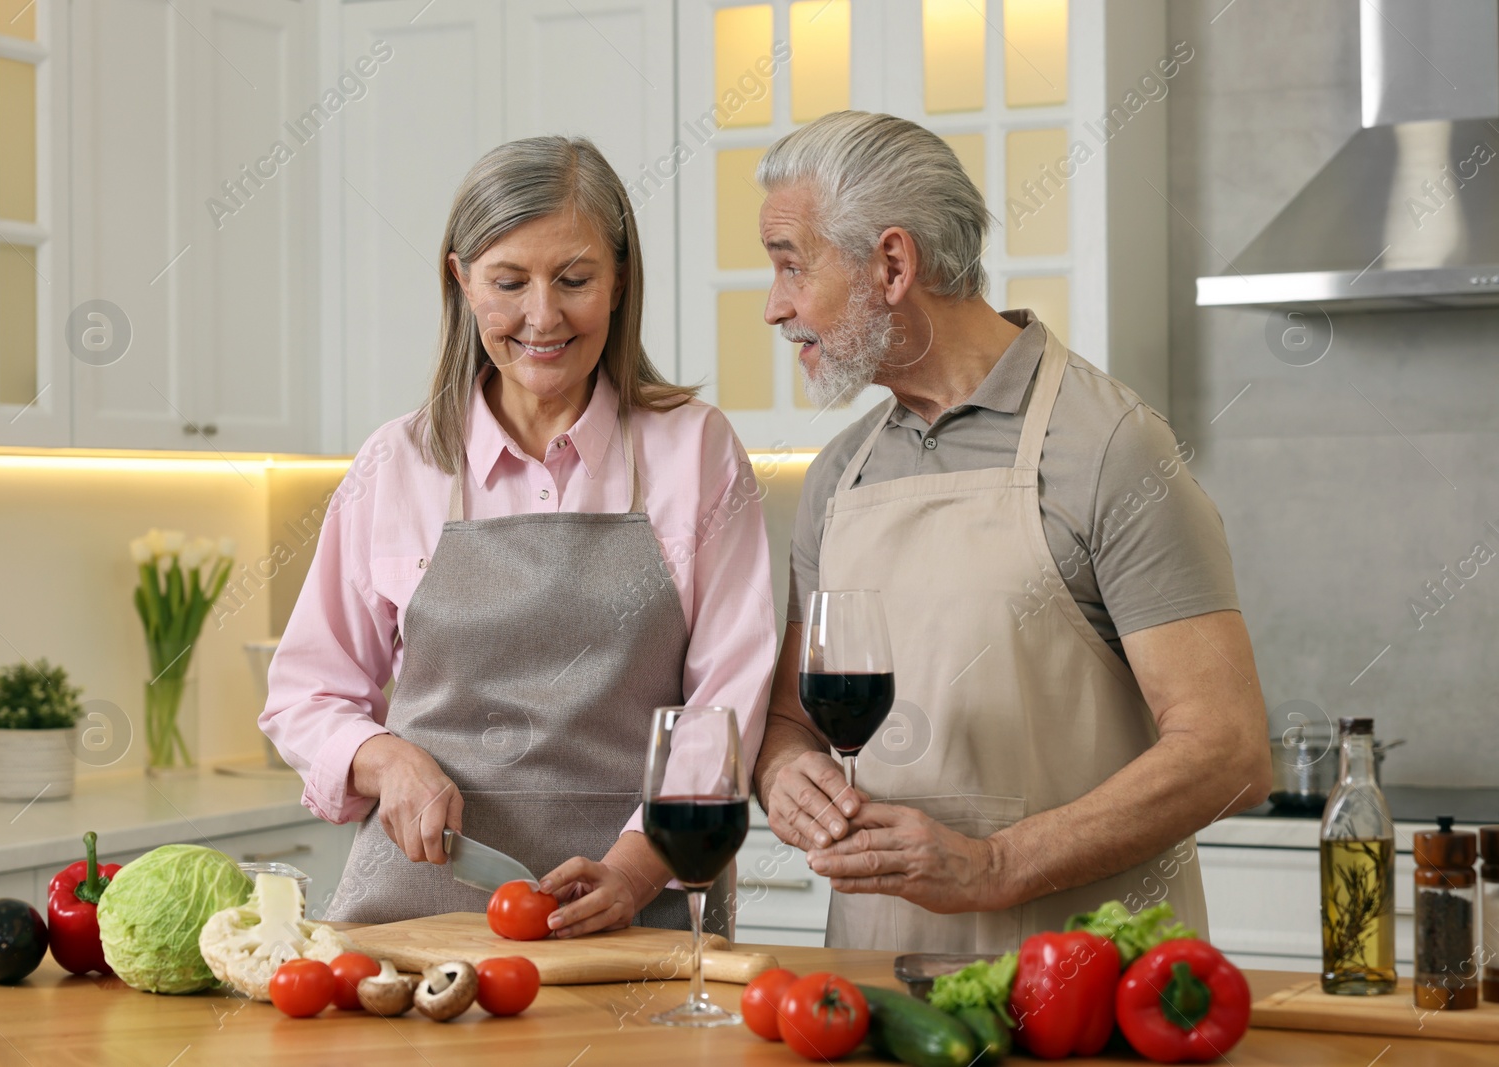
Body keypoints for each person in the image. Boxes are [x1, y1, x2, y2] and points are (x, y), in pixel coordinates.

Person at [750, 111, 1270, 953]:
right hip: (875, 992)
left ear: (891, 263)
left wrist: (993, 866)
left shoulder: (1110, 446)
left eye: (790, 268)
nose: (776, 309)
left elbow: (1230, 750)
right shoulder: (838, 476)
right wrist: (781, 774)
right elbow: (790, 722)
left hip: (1089, 995)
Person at [263, 136, 776, 935]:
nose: (543, 317)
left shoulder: (696, 451)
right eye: (509, 282)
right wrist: (385, 760)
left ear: (619, 281)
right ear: (460, 279)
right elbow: (306, 693)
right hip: (413, 917)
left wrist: (637, 871)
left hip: (638, 916)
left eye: (574, 280)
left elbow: (730, 701)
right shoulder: (396, 464)